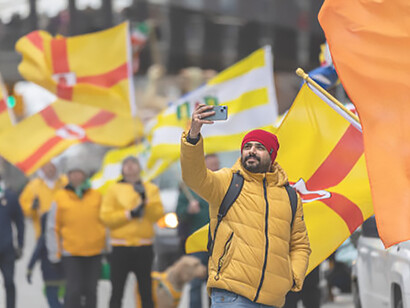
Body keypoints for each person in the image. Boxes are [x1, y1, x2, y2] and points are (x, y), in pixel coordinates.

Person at [180, 104, 311, 308]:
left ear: (272, 155)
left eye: (259, 147)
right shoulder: (228, 181)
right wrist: (193, 136)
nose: (251, 151)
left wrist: (292, 277)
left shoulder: (290, 196)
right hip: (232, 295)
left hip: (274, 299)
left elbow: (300, 244)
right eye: (247, 146)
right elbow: (194, 177)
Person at [100, 156, 164, 308]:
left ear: (139, 167)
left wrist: (146, 204)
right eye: (126, 164)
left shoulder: (150, 188)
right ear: (122, 169)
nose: (130, 167)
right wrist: (128, 215)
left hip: (144, 247)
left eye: (133, 163)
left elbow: (157, 214)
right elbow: (106, 218)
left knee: (146, 290)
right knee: (117, 290)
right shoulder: (113, 189)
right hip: (120, 248)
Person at [46, 161, 106, 308]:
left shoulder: (97, 195)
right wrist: (54, 254)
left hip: (94, 251)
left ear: (85, 175)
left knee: (91, 290)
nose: (76, 176)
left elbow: (105, 222)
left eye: (79, 172)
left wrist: (107, 249)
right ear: (68, 176)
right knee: (74, 291)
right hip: (71, 252)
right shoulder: (60, 197)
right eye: (72, 173)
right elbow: (52, 227)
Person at [176, 154, 220, 308]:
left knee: (216, 283)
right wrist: (188, 210)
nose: (214, 167)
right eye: (211, 165)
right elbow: (179, 213)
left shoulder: (223, 186)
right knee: (195, 282)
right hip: (198, 243)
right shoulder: (191, 189)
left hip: (219, 243)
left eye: (216, 164)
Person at [20, 161, 68, 238]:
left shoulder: (65, 182)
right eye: (46, 167)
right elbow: (23, 208)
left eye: (52, 166)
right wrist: (31, 207)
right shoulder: (33, 186)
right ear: (41, 169)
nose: (50, 169)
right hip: (43, 233)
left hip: (66, 233)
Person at [26, 212, 65, 308]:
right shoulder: (64, 237)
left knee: (52, 299)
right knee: (66, 299)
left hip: (49, 276)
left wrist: (29, 270)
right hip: (64, 275)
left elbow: (35, 255)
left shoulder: (44, 238)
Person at [0, 175, 25, 308]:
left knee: (9, 282)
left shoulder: (10, 196)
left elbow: (19, 222)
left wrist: (20, 244)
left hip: (6, 248)